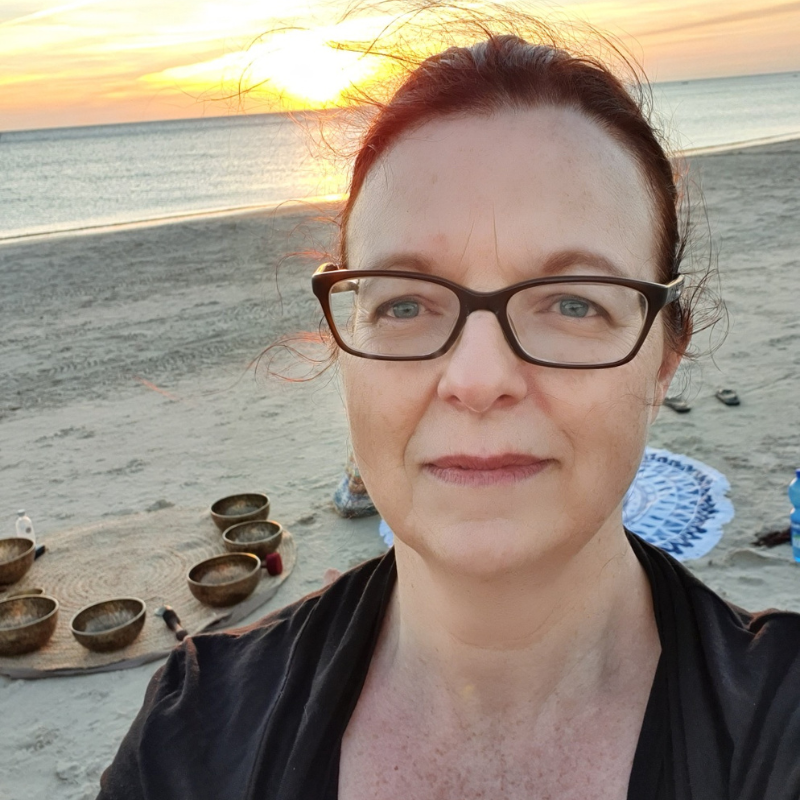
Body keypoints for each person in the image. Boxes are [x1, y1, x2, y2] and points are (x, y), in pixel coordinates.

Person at [97, 13, 800, 800]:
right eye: (405, 304)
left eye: (572, 303)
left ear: (665, 356)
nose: (476, 379)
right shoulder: (194, 737)